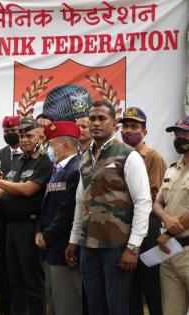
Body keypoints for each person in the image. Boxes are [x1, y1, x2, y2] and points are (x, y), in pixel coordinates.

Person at [65, 101, 152, 315]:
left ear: (114, 124)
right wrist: (73, 240)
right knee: (95, 307)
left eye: (101, 118)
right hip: (88, 245)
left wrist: (133, 247)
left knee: (118, 307)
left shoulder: (128, 155)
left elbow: (143, 202)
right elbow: (80, 202)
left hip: (117, 246)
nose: (95, 123)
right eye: (92, 119)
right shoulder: (85, 158)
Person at [0, 117, 53, 315]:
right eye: (21, 135)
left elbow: (26, 190)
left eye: (29, 135)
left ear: (41, 136)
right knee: (15, 280)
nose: (24, 139)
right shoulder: (20, 159)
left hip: (30, 227)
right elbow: (7, 193)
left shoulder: (45, 160)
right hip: (11, 227)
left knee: (33, 281)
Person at [119, 107, 166, 315]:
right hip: (123, 226)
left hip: (147, 227)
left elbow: (154, 196)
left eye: (134, 127)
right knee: (129, 289)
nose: (128, 130)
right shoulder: (118, 155)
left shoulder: (153, 157)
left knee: (151, 284)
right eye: (125, 126)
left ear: (144, 131)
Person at [36, 121, 82, 315]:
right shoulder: (59, 169)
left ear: (64, 145)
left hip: (64, 247)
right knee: (53, 301)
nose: (48, 149)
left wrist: (47, 236)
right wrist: (39, 231)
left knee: (67, 302)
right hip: (51, 247)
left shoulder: (75, 170)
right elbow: (48, 205)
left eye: (51, 144)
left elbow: (67, 211)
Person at [153, 116, 189, 315]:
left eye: (184, 133)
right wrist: (166, 219)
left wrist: (168, 234)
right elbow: (158, 203)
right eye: (176, 133)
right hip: (170, 253)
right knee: (171, 311)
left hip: (184, 248)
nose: (179, 137)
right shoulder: (172, 168)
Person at [0, 115, 21, 315]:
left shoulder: (31, 155)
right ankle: (4, 307)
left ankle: (21, 305)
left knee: (22, 266)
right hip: (1, 219)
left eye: (15, 130)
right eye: (7, 131)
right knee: (3, 264)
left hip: (23, 217)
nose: (11, 134)